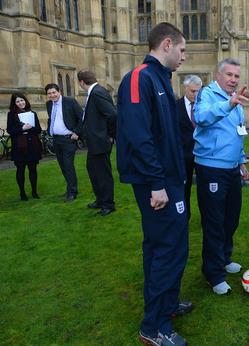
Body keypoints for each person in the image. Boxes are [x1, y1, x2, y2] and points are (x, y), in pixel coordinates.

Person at [116, 22, 192, 346]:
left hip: (171, 179)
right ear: (166, 44)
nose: (184, 57)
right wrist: (157, 183)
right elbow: (138, 135)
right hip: (157, 184)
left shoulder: (163, 79)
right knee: (170, 250)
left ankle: (167, 305)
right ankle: (155, 327)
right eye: (182, 50)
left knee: (162, 247)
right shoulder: (139, 78)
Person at [193, 58, 249, 295]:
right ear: (218, 75)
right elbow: (202, 118)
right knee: (214, 222)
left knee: (230, 218)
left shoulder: (237, 100)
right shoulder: (206, 95)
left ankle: (225, 258)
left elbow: (238, 134)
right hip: (211, 168)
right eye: (229, 75)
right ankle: (213, 273)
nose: (233, 80)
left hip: (232, 169)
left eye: (236, 76)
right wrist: (228, 104)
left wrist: (242, 161)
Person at [77, 69, 117, 216]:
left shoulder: (97, 92)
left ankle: (108, 205)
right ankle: (100, 199)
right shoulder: (96, 91)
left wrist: (111, 135)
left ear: (81, 82)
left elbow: (112, 114)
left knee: (103, 174)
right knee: (92, 170)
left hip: (101, 142)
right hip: (95, 142)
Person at [45, 83, 83, 203]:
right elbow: (52, 118)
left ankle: (72, 193)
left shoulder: (70, 101)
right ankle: (69, 189)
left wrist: (76, 132)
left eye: (54, 92)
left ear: (59, 92)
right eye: (49, 93)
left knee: (68, 166)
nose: (52, 95)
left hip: (68, 139)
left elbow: (81, 117)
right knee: (63, 166)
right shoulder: (49, 104)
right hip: (56, 139)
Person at [6, 93, 43, 200]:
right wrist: (22, 129)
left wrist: (29, 128)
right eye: (18, 101)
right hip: (19, 146)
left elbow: (38, 130)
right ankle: (22, 193)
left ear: (25, 101)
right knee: (20, 169)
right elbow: (10, 130)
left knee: (33, 169)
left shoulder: (32, 113)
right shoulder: (11, 114)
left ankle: (34, 191)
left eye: (22, 100)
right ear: (15, 103)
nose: (21, 103)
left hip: (32, 145)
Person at [176, 75, 203, 220]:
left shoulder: (205, 106)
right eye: (193, 91)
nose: (196, 95)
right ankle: (184, 217)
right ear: (184, 88)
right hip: (183, 155)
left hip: (203, 155)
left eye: (199, 91)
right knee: (184, 188)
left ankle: (207, 217)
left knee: (204, 189)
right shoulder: (175, 107)